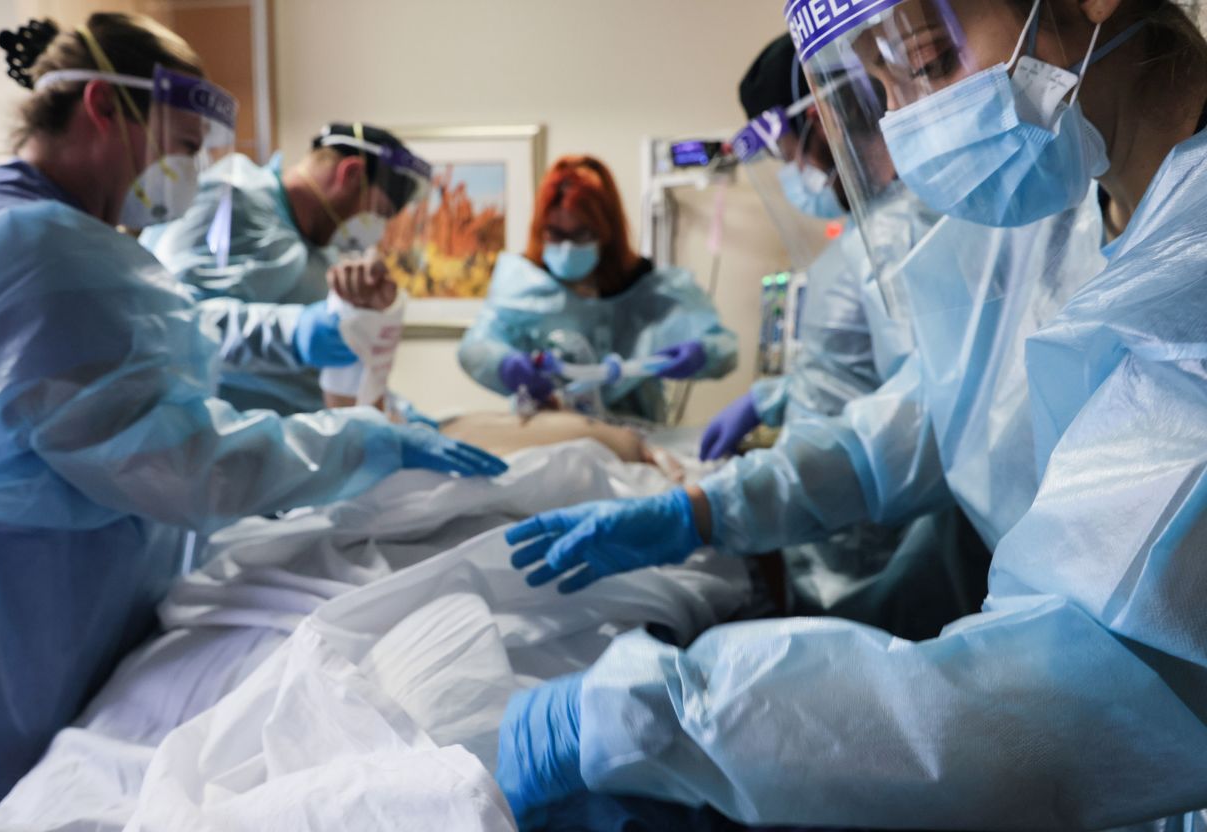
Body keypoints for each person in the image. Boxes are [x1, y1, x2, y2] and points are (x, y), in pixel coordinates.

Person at [496, 0, 1207, 828]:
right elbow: (911, 429)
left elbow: (1087, 674)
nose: (906, 117)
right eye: (879, 86)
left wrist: (672, 718)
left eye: (928, 59)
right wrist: (707, 509)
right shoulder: (1055, 220)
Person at [0, 15, 504, 829]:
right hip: (14, 598)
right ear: (104, 106)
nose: (196, 170)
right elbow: (180, 459)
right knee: (1, 803)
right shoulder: (36, 253)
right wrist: (363, 438)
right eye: (187, 142)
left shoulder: (62, 234)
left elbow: (146, 387)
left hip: (68, 573)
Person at [700, 34, 988, 635]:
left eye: (790, 153)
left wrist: (719, 507)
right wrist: (774, 397)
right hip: (851, 536)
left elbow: (928, 410)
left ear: (823, 119)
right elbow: (864, 375)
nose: (795, 173)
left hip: (890, 558)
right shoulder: (877, 234)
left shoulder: (903, 237)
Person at [142, 122, 429, 414]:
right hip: (218, 436)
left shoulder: (323, 248)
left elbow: (319, 375)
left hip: (297, 440)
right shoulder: (230, 202)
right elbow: (178, 322)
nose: (376, 233)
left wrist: (396, 410)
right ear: (352, 174)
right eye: (378, 214)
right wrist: (295, 333)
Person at [458, 155, 738, 423]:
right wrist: (504, 364)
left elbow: (723, 347)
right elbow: (476, 347)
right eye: (556, 233)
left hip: (635, 437)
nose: (567, 247)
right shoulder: (524, 285)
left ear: (606, 232)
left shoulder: (646, 288)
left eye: (581, 234)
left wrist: (703, 353)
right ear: (541, 229)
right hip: (549, 432)